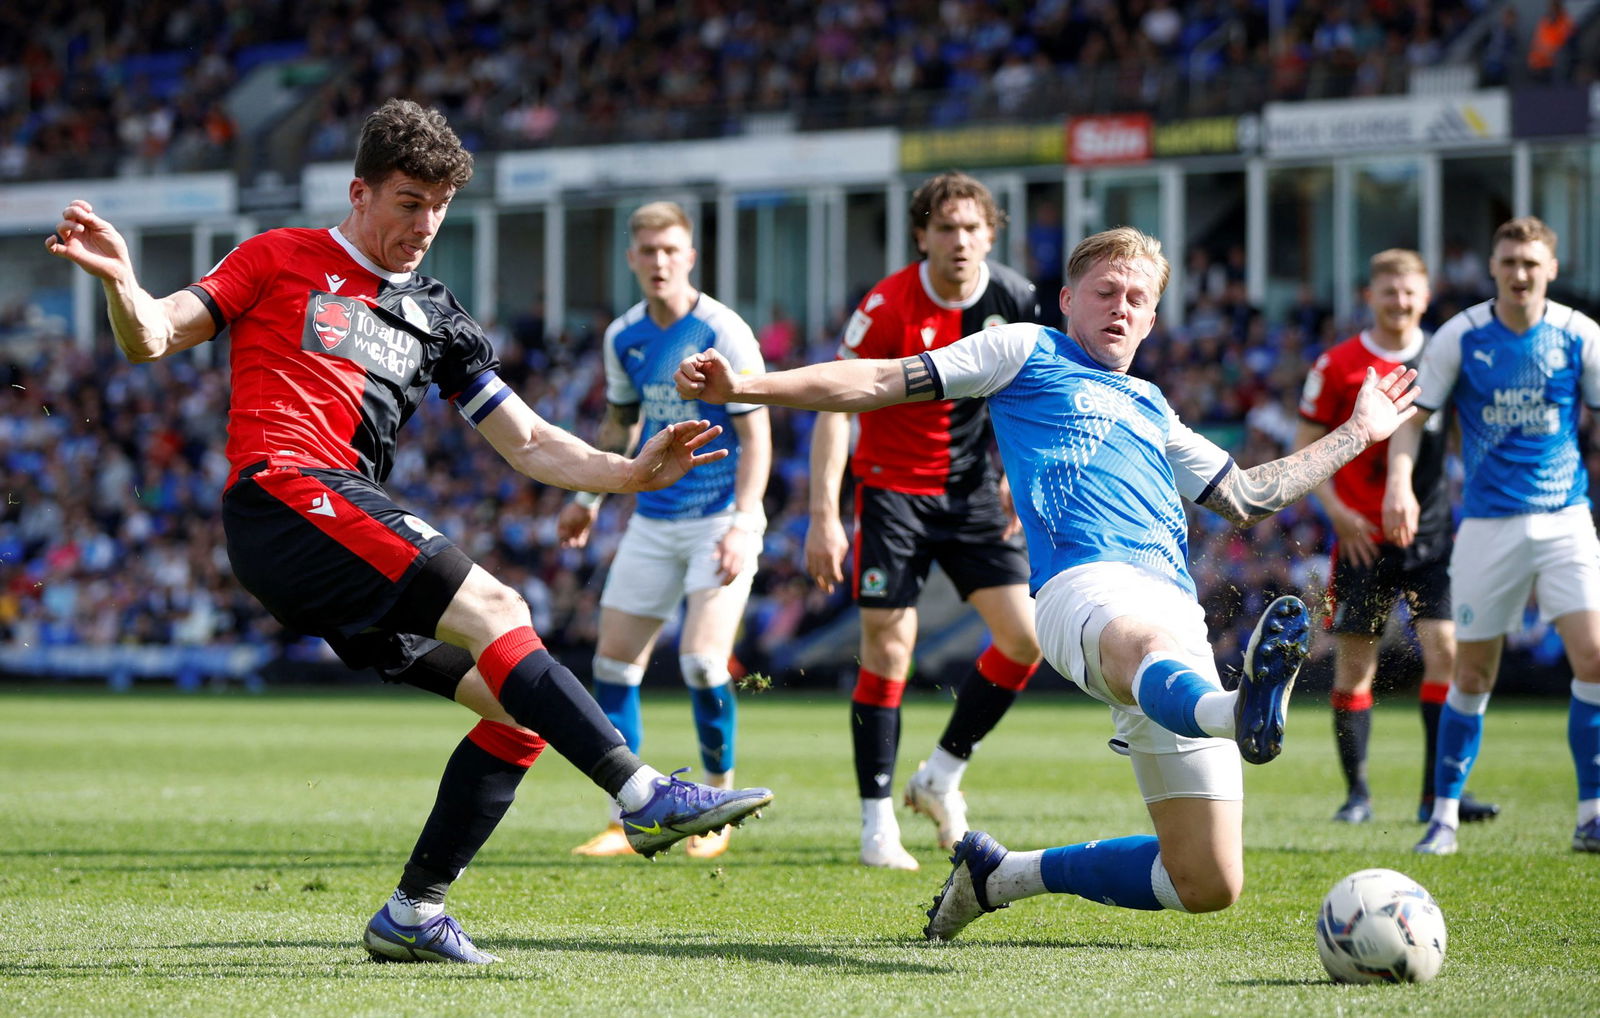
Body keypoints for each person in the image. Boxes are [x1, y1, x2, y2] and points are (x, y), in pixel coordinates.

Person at [45, 98, 773, 965]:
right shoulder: (277, 257)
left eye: (439, 206)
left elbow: (531, 441)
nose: (425, 224)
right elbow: (154, 336)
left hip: (336, 533)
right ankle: (642, 790)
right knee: (500, 603)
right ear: (360, 192)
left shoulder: (436, 314)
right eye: (408, 202)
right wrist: (124, 283)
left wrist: (626, 473)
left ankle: (413, 912)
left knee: (520, 709)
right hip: (285, 495)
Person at [677, 226, 1421, 939]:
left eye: (1137, 298)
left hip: (1173, 615)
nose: (1120, 307)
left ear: (1154, 317)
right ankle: (1239, 710)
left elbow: (1248, 497)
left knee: (1208, 882)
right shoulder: (1025, 349)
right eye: (1105, 291)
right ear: (1067, 300)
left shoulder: (1154, 406)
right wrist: (747, 385)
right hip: (1081, 589)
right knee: (1146, 644)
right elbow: (877, 378)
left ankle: (1001, 876)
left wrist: (1360, 432)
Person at [806, 171, 1042, 870]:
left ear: (991, 234)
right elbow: (832, 402)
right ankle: (876, 820)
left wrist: (1020, 480)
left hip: (972, 493)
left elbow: (1037, 397)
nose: (960, 240)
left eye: (972, 228)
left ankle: (941, 774)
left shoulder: (1018, 299)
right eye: (946, 228)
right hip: (892, 493)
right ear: (922, 236)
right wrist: (824, 513)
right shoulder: (886, 305)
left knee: (1025, 639)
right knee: (889, 645)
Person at [558, 201, 770, 860]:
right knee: (613, 664)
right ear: (632, 258)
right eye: (647, 250)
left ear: (690, 256)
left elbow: (754, 429)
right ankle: (632, 817)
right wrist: (590, 497)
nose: (658, 261)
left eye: (670, 250)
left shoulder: (721, 330)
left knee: (703, 659)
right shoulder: (623, 335)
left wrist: (744, 520)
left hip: (718, 519)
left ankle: (721, 808)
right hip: (653, 519)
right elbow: (620, 428)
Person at [1386, 216, 1600, 856]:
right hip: (1486, 526)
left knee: (1593, 658)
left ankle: (1591, 814)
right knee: (1473, 671)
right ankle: (1444, 817)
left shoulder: (1579, 335)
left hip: (1566, 519)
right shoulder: (1461, 336)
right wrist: (1400, 484)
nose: (1520, 273)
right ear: (1493, 266)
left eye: (1531, 262)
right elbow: (1412, 420)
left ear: (1551, 269)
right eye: (1508, 261)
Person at [1294, 249, 1499, 826]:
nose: (1400, 302)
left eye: (1409, 292)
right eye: (1389, 292)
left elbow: (1463, 431)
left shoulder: (1447, 355)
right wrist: (1335, 513)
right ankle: (1356, 794)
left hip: (1430, 535)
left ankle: (1438, 794)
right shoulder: (1336, 364)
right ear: (1371, 296)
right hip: (1360, 536)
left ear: (1425, 296)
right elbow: (1306, 445)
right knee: (1355, 665)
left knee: (1447, 652)